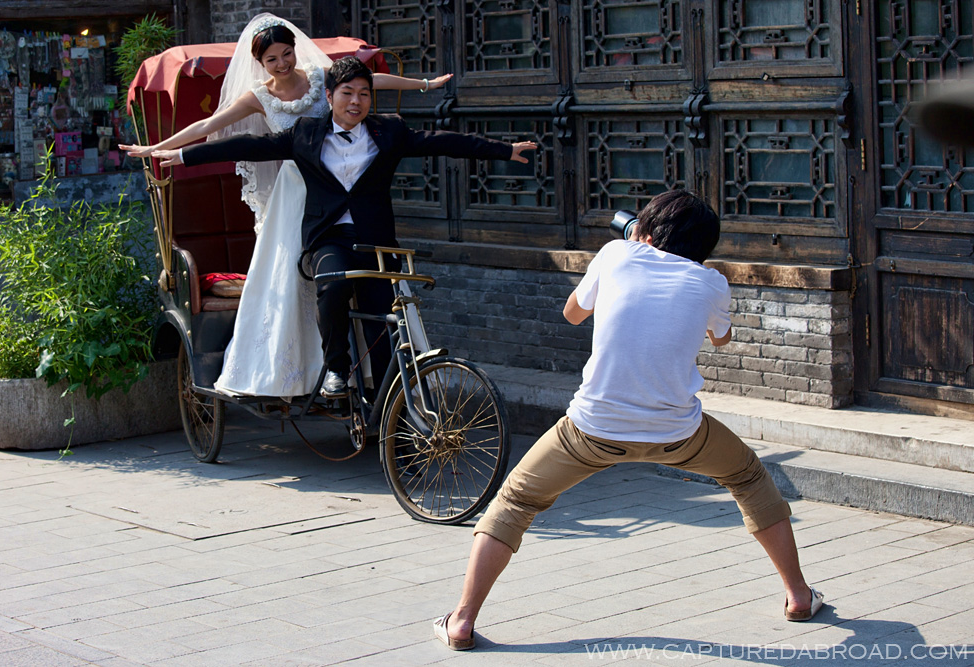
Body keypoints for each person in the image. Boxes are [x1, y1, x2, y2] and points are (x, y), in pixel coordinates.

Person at [432, 190, 824, 651]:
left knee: (516, 500)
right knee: (748, 476)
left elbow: (572, 313)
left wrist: (627, 256)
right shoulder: (712, 282)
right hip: (679, 434)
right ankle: (798, 596)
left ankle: (462, 620)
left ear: (647, 232)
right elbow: (721, 340)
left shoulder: (616, 253)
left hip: (591, 431)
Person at [151, 55, 537, 398]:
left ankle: (394, 420)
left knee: (383, 324)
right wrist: (184, 155)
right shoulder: (305, 134)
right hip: (329, 238)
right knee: (332, 288)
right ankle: (336, 368)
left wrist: (504, 150)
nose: (357, 102)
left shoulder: (389, 132)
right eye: (348, 93)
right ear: (331, 95)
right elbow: (244, 146)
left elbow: (444, 141)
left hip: (375, 240)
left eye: (365, 94)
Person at [121, 13, 451, 400]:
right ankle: (305, 372)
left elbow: (367, 83)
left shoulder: (317, 78)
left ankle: (370, 379)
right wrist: (160, 149)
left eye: (286, 54)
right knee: (298, 280)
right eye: (272, 59)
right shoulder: (259, 96)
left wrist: (424, 84)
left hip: (335, 186)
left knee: (358, 275)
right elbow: (209, 126)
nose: (282, 64)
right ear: (260, 64)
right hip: (296, 191)